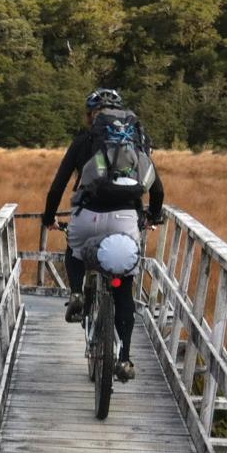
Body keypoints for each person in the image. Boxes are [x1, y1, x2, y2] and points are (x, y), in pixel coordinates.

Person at [41, 87, 165, 382]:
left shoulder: (83, 142)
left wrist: (48, 218)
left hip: (87, 217)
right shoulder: (135, 143)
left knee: (75, 250)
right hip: (124, 220)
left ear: (90, 117)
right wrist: (153, 216)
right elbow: (157, 190)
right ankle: (124, 359)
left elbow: (57, 186)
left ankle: (75, 293)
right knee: (123, 287)